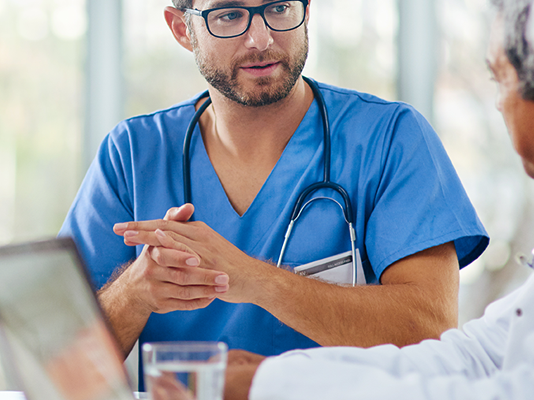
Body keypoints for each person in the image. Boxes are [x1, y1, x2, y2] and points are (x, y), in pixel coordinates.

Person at [59, 0, 490, 362]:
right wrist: (133, 293)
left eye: (280, 8)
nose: (261, 39)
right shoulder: (133, 154)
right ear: (182, 29)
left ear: (307, 11)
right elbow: (53, 363)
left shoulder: (390, 138)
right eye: (229, 15)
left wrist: (252, 278)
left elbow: (428, 328)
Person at [219, 0, 534, 398]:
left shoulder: (389, 137)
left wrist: (270, 382)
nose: (498, 102)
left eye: (500, 79)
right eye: (229, 15)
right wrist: (277, 373)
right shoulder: (144, 147)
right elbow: (479, 357)